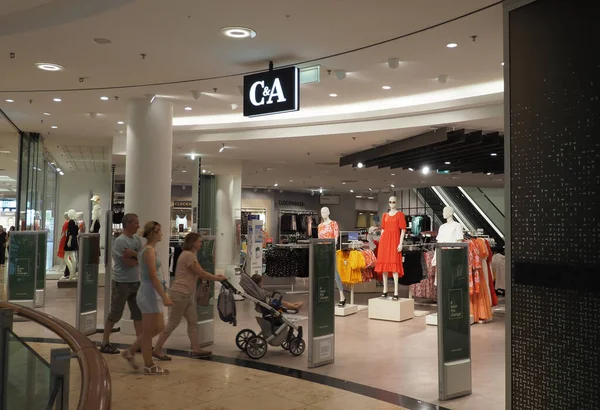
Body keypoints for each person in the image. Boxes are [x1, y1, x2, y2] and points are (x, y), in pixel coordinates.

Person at [152, 233, 227, 360]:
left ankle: (196, 348)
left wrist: (215, 277)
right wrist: (217, 278)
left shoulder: (190, 255)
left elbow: (200, 272)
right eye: (199, 241)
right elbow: (201, 273)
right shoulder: (188, 255)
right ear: (193, 243)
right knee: (172, 323)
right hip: (180, 294)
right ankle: (157, 349)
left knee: (192, 321)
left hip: (186, 295)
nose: (201, 244)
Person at [121, 221, 172, 375]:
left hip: (151, 292)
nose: (162, 234)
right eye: (160, 232)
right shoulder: (149, 251)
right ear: (155, 233)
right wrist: (164, 297)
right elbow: (152, 277)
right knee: (150, 330)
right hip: (150, 293)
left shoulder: (146, 250)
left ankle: (130, 351)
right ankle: (149, 364)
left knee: (156, 328)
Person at [99, 213, 143, 354]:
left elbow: (142, 258)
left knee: (138, 314)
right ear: (129, 223)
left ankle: (140, 343)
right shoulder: (120, 241)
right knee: (115, 313)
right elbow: (128, 262)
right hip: (121, 283)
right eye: (136, 223)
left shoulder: (136, 240)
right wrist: (137, 259)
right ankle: (105, 342)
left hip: (135, 282)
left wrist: (135, 255)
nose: (138, 225)